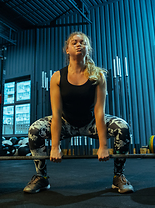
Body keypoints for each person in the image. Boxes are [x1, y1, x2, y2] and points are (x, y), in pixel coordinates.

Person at [23, 31, 134, 194]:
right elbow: (56, 112)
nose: (78, 44)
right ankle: (41, 177)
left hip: (91, 123)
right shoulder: (57, 77)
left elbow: (99, 110)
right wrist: (55, 146)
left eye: (82, 42)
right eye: (74, 42)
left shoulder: (98, 75)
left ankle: (119, 176)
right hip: (65, 123)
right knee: (35, 130)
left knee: (122, 127)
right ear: (67, 49)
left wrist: (103, 146)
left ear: (87, 49)